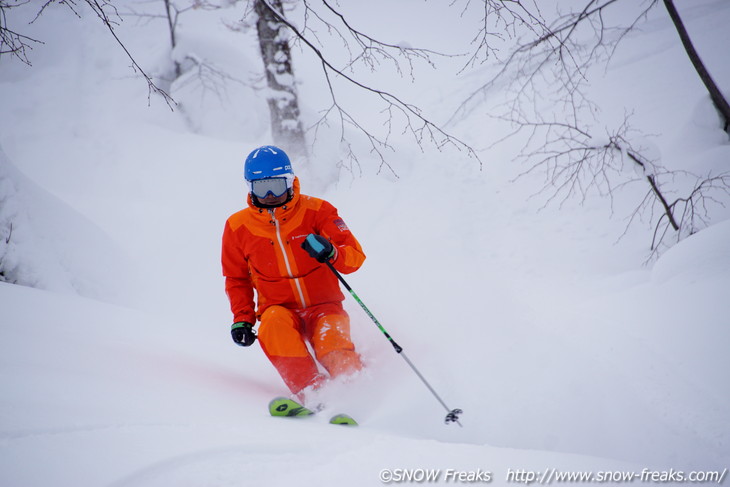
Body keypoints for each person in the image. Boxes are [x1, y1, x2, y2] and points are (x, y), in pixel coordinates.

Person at [221, 145, 366, 401]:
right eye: (260, 187)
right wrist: (242, 318)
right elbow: (236, 278)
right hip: (278, 308)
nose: (268, 195)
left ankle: (355, 393)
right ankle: (314, 393)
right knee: (273, 328)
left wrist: (332, 252)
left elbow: (354, 257)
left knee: (332, 340)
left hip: (325, 306)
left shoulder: (318, 211)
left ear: (290, 181)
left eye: (276, 186)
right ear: (249, 187)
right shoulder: (237, 227)